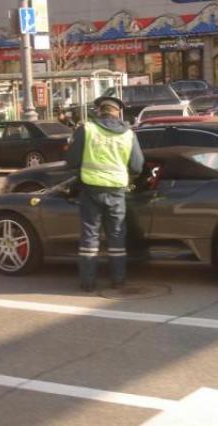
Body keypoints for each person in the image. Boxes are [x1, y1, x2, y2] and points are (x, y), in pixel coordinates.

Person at [69, 96, 144, 291]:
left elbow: (72, 161)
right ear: (118, 112)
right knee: (117, 236)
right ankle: (117, 280)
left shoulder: (86, 129)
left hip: (90, 189)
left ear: (99, 110)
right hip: (117, 191)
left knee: (89, 237)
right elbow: (137, 166)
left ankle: (87, 283)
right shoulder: (128, 134)